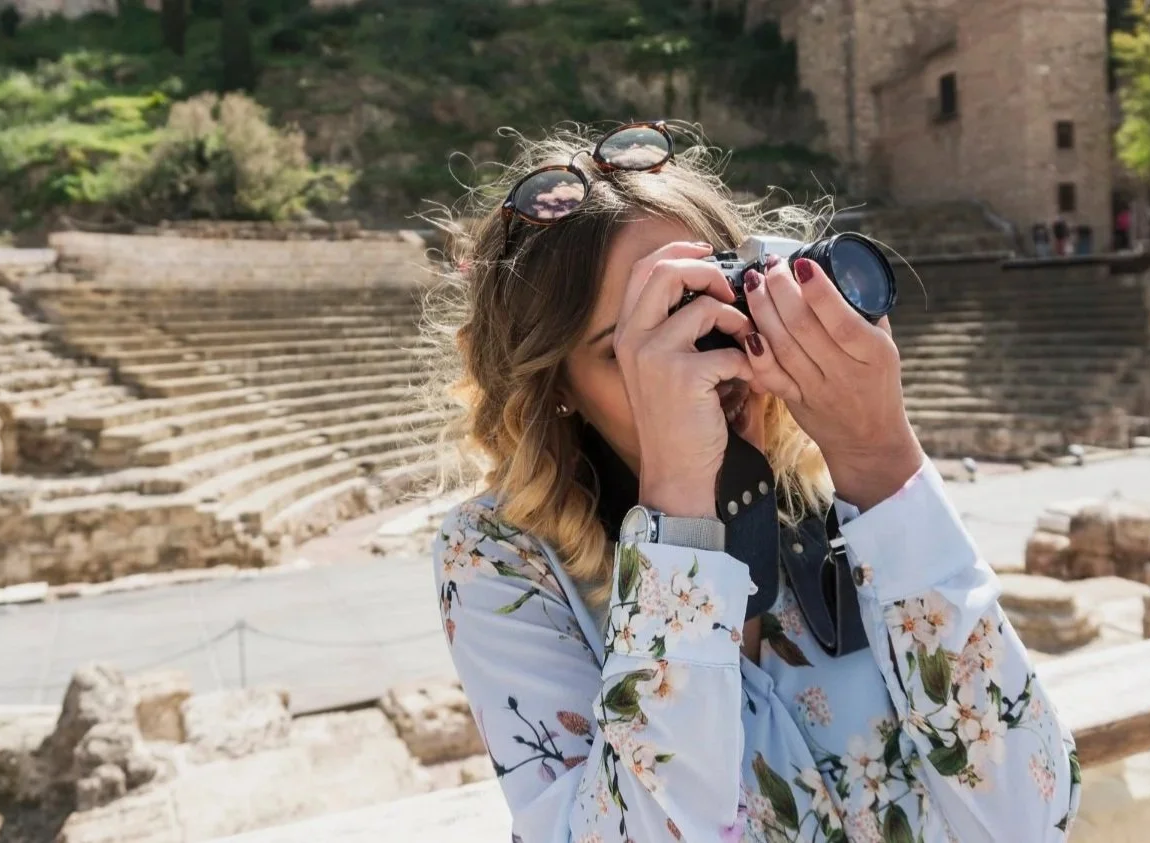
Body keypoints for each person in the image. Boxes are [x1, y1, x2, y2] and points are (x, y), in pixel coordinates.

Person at [427, 122, 1081, 843]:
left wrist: (883, 459)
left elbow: (1030, 813)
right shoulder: (498, 556)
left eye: (715, 310)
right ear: (558, 385)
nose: (709, 363)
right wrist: (679, 515)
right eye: (644, 346)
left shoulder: (842, 498)